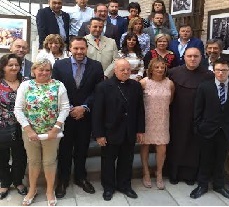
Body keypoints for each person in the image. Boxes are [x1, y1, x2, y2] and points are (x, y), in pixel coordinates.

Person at [52, 36, 104, 199]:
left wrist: (84, 107)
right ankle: (63, 179)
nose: (79, 51)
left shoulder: (96, 66)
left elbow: (98, 91)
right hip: (64, 116)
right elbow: (55, 88)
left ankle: (81, 177)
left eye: (82, 48)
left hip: (85, 115)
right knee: (65, 150)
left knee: (82, 148)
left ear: (86, 49)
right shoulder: (60, 65)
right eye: (76, 48)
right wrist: (68, 108)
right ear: (70, 49)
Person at [14, 59, 70, 206]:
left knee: (50, 162)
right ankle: (32, 190)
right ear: (34, 71)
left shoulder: (58, 85)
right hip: (30, 133)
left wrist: (56, 128)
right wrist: (28, 130)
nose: (44, 73)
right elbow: (18, 109)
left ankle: (50, 191)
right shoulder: (26, 85)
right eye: (41, 69)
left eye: (47, 70)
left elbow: (65, 108)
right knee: (33, 161)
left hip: (52, 133)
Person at [190, 59, 229, 200]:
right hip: (207, 130)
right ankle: (202, 185)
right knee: (205, 158)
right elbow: (198, 110)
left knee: (221, 160)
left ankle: (219, 185)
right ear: (213, 71)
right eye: (218, 70)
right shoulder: (204, 87)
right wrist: (198, 127)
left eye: (224, 70)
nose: (221, 73)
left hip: (227, 131)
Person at [92, 59, 145, 201]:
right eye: (122, 69)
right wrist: (99, 134)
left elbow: (140, 109)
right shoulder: (103, 87)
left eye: (128, 69)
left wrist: (140, 130)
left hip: (129, 131)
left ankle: (125, 185)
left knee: (127, 161)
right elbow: (97, 112)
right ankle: (108, 187)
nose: (126, 72)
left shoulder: (136, 85)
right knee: (108, 162)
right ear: (115, 70)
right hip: (110, 132)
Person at [166, 47, 213, 184]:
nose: (193, 59)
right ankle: (173, 173)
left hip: (198, 117)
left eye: (196, 56)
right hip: (177, 116)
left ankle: (190, 175)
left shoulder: (208, 75)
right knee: (177, 144)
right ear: (184, 57)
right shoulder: (173, 73)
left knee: (193, 146)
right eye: (189, 56)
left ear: (201, 58)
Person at [201, 38, 229, 194]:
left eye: (215, 48)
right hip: (208, 111)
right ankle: (208, 178)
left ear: (220, 50)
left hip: (224, 112)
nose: (212, 51)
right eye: (209, 48)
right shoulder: (202, 63)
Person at [140, 57, 175, 190]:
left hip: (162, 119)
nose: (160, 69)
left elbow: (171, 100)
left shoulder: (169, 83)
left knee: (162, 147)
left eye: (162, 67)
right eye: (157, 67)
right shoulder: (144, 82)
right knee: (145, 146)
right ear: (151, 69)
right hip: (147, 119)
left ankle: (159, 172)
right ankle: (146, 172)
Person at [0, 54, 27, 200]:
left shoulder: (26, 81)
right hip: (2, 126)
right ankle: (4, 182)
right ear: (3, 67)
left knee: (20, 156)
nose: (14, 67)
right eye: (10, 65)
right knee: (2, 157)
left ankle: (18, 181)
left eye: (17, 65)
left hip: (22, 126)